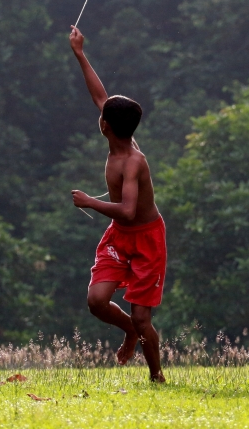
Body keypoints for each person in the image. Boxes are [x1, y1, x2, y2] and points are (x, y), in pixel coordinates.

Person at [68, 26, 166, 383]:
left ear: (105, 126)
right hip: (120, 237)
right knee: (97, 301)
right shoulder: (119, 137)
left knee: (144, 319)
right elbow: (100, 95)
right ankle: (128, 331)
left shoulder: (133, 161)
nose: (100, 111)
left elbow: (127, 210)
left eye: (103, 114)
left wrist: (91, 202)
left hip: (147, 239)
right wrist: (80, 52)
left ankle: (156, 375)